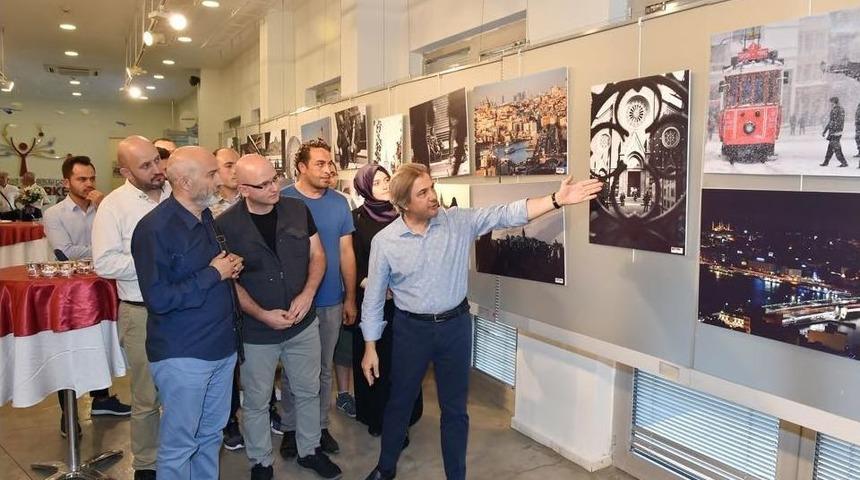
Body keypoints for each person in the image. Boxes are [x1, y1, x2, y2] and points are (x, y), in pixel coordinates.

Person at [359, 164, 602, 480]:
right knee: (399, 403)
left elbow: (507, 213)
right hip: (411, 330)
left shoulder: (458, 221)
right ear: (404, 203)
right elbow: (374, 297)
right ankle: (385, 467)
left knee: (456, 412)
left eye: (433, 187)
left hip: (455, 328)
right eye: (423, 193)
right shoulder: (386, 242)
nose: (434, 196)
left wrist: (556, 199)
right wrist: (370, 346)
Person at [217, 154, 342, 480]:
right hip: (257, 331)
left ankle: (310, 450)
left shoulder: (298, 210)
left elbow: (318, 256)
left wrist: (307, 294)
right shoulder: (226, 226)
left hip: (303, 323)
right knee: (257, 400)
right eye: (264, 184)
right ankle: (261, 462)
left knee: (308, 389)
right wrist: (261, 314)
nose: (275, 187)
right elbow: (228, 281)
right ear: (244, 188)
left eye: (275, 178)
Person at [131, 146, 240, 480]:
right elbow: (159, 298)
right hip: (184, 354)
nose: (220, 178)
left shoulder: (206, 216)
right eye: (211, 173)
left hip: (221, 348)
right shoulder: (154, 229)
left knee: (210, 437)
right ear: (184, 181)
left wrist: (227, 268)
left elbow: (208, 272)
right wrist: (213, 274)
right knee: (180, 445)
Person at [92, 135, 172, 480]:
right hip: (141, 312)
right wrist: (157, 262)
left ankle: (180, 453)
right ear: (125, 170)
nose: (157, 169)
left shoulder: (176, 195)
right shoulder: (115, 206)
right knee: (145, 396)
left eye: (157, 160)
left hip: (184, 309)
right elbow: (105, 263)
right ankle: (147, 464)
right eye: (146, 165)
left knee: (184, 389)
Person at [281, 139, 357, 458]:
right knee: (293, 368)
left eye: (331, 164)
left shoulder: (339, 203)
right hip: (292, 300)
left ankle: (321, 426)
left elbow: (345, 252)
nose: (329, 170)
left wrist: (350, 297)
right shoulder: (283, 199)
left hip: (329, 299)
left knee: (324, 367)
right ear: (301, 167)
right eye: (320, 164)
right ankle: (290, 427)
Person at [43, 156, 130, 436]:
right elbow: (64, 252)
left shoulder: (106, 209)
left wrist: (104, 210)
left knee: (101, 340)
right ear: (66, 182)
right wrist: (102, 250)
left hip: (102, 285)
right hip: (67, 291)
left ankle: (102, 398)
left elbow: (122, 242)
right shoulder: (54, 214)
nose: (89, 184)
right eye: (82, 179)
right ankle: (67, 413)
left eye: (92, 178)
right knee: (67, 348)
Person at [350, 164, 422, 438]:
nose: (383, 185)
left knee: (403, 361)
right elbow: (351, 260)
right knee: (377, 360)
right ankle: (378, 416)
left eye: (386, 179)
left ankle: (406, 416)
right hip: (373, 302)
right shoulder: (356, 220)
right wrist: (371, 283)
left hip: (406, 302)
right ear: (364, 187)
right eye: (376, 181)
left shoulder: (404, 215)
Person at [210, 147, 242, 218]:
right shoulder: (204, 204)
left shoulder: (252, 197)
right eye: (229, 166)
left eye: (238, 165)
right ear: (215, 169)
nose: (235, 171)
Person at [820, 96, 848, 168]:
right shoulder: (835, 109)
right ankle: (826, 162)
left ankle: (843, 162)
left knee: (836, 148)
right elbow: (831, 121)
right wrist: (825, 131)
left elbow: (840, 121)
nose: (830, 104)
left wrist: (836, 130)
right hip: (833, 131)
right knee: (831, 148)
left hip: (836, 132)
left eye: (831, 102)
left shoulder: (839, 109)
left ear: (834, 102)